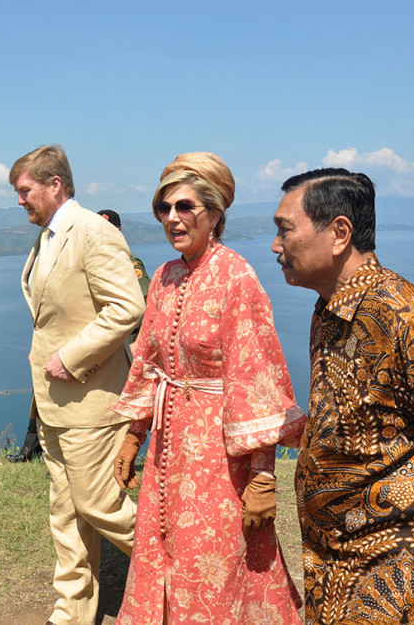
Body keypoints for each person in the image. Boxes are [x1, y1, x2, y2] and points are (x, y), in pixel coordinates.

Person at [271, 169, 414, 623]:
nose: (276, 246)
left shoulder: (406, 317)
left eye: (285, 229)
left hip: (404, 577)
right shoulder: (329, 311)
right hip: (339, 567)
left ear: (339, 233)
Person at [112, 152, 306, 624]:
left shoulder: (237, 277)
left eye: (184, 207)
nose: (172, 218)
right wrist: (134, 435)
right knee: (161, 549)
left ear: (215, 214)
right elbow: (150, 364)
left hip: (221, 462)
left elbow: (256, 381)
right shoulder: (162, 277)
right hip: (167, 454)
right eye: (164, 208)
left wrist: (263, 475)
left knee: (215, 566)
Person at [10, 145, 145, 625]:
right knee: (66, 513)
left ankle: (183, 569)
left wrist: (71, 357)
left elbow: (128, 307)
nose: (20, 201)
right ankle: (73, 610)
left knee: (100, 504)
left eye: (25, 191)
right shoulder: (49, 236)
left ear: (54, 185)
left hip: (92, 399)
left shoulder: (92, 231)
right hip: (54, 404)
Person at [8, 208, 149, 465]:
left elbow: (139, 303)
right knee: (42, 395)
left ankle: (114, 456)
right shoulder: (81, 250)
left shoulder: (127, 262)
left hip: (115, 346)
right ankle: (32, 448)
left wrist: (136, 345)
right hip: (77, 343)